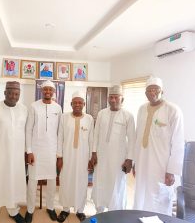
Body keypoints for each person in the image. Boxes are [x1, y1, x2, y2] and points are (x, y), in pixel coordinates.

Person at [133, 76, 185, 215]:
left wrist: (172, 170)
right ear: (145, 93)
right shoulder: (141, 109)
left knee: (159, 198)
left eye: (156, 90)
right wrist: (135, 162)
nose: (152, 93)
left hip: (162, 165)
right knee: (141, 193)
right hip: (142, 162)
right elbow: (138, 137)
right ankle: (140, 217)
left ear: (162, 91)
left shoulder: (173, 110)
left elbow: (178, 143)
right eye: (149, 90)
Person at [0, 81, 28, 223]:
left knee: (13, 183)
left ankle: (13, 211)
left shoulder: (24, 110)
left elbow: (27, 132)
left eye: (16, 94)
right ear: (5, 93)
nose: (13, 96)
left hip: (16, 156)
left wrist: (28, 152)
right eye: (10, 93)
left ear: (19, 95)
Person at [91, 85, 135, 213]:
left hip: (118, 158)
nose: (113, 100)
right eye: (111, 97)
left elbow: (132, 139)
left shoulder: (128, 116)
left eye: (116, 97)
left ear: (122, 99)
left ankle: (115, 212)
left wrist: (129, 159)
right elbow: (96, 134)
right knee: (100, 181)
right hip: (101, 155)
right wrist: (93, 152)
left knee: (116, 183)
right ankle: (99, 211)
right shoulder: (101, 113)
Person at [25, 80, 62, 223]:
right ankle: (29, 210)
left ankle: (51, 207)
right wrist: (29, 151)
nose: (47, 92)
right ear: (42, 91)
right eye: (45, 89)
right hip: (36, 150)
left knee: (52, 181)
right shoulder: (34, 106)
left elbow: (60, 132)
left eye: (50, 90)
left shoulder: (58, 108)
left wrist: (59, 154)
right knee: (32, 181)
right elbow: (28, 129)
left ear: (53, 92)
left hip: (52, 150)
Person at [56, 91, 94, 222]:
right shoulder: (64, 117)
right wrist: (59, 157)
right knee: (66, 181)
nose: (77, 105)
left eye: (80, 102)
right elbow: (60, 137)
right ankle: (65, 209)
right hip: (67, 156)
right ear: (71, 104)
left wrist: (91, 158)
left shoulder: (89, 119)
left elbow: (91, 140)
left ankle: (80, 210)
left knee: (82, 182)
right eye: (75, 102)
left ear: (84, 104)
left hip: (83, 157)